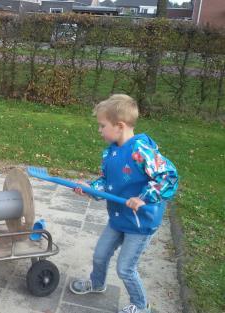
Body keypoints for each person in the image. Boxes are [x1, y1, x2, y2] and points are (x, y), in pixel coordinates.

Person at [69, 94, 179, 313]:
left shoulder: (141, 151)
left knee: (125, 268)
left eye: (102, 126)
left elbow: (169, 177)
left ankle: (141, 305)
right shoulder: (110, 152)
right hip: (118, 218)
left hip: (140, 223)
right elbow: (106, 183)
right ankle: (98, 283)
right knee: (100, 255)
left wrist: (144, 197)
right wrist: (90, 188)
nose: (99, 130)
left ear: (119, 126)